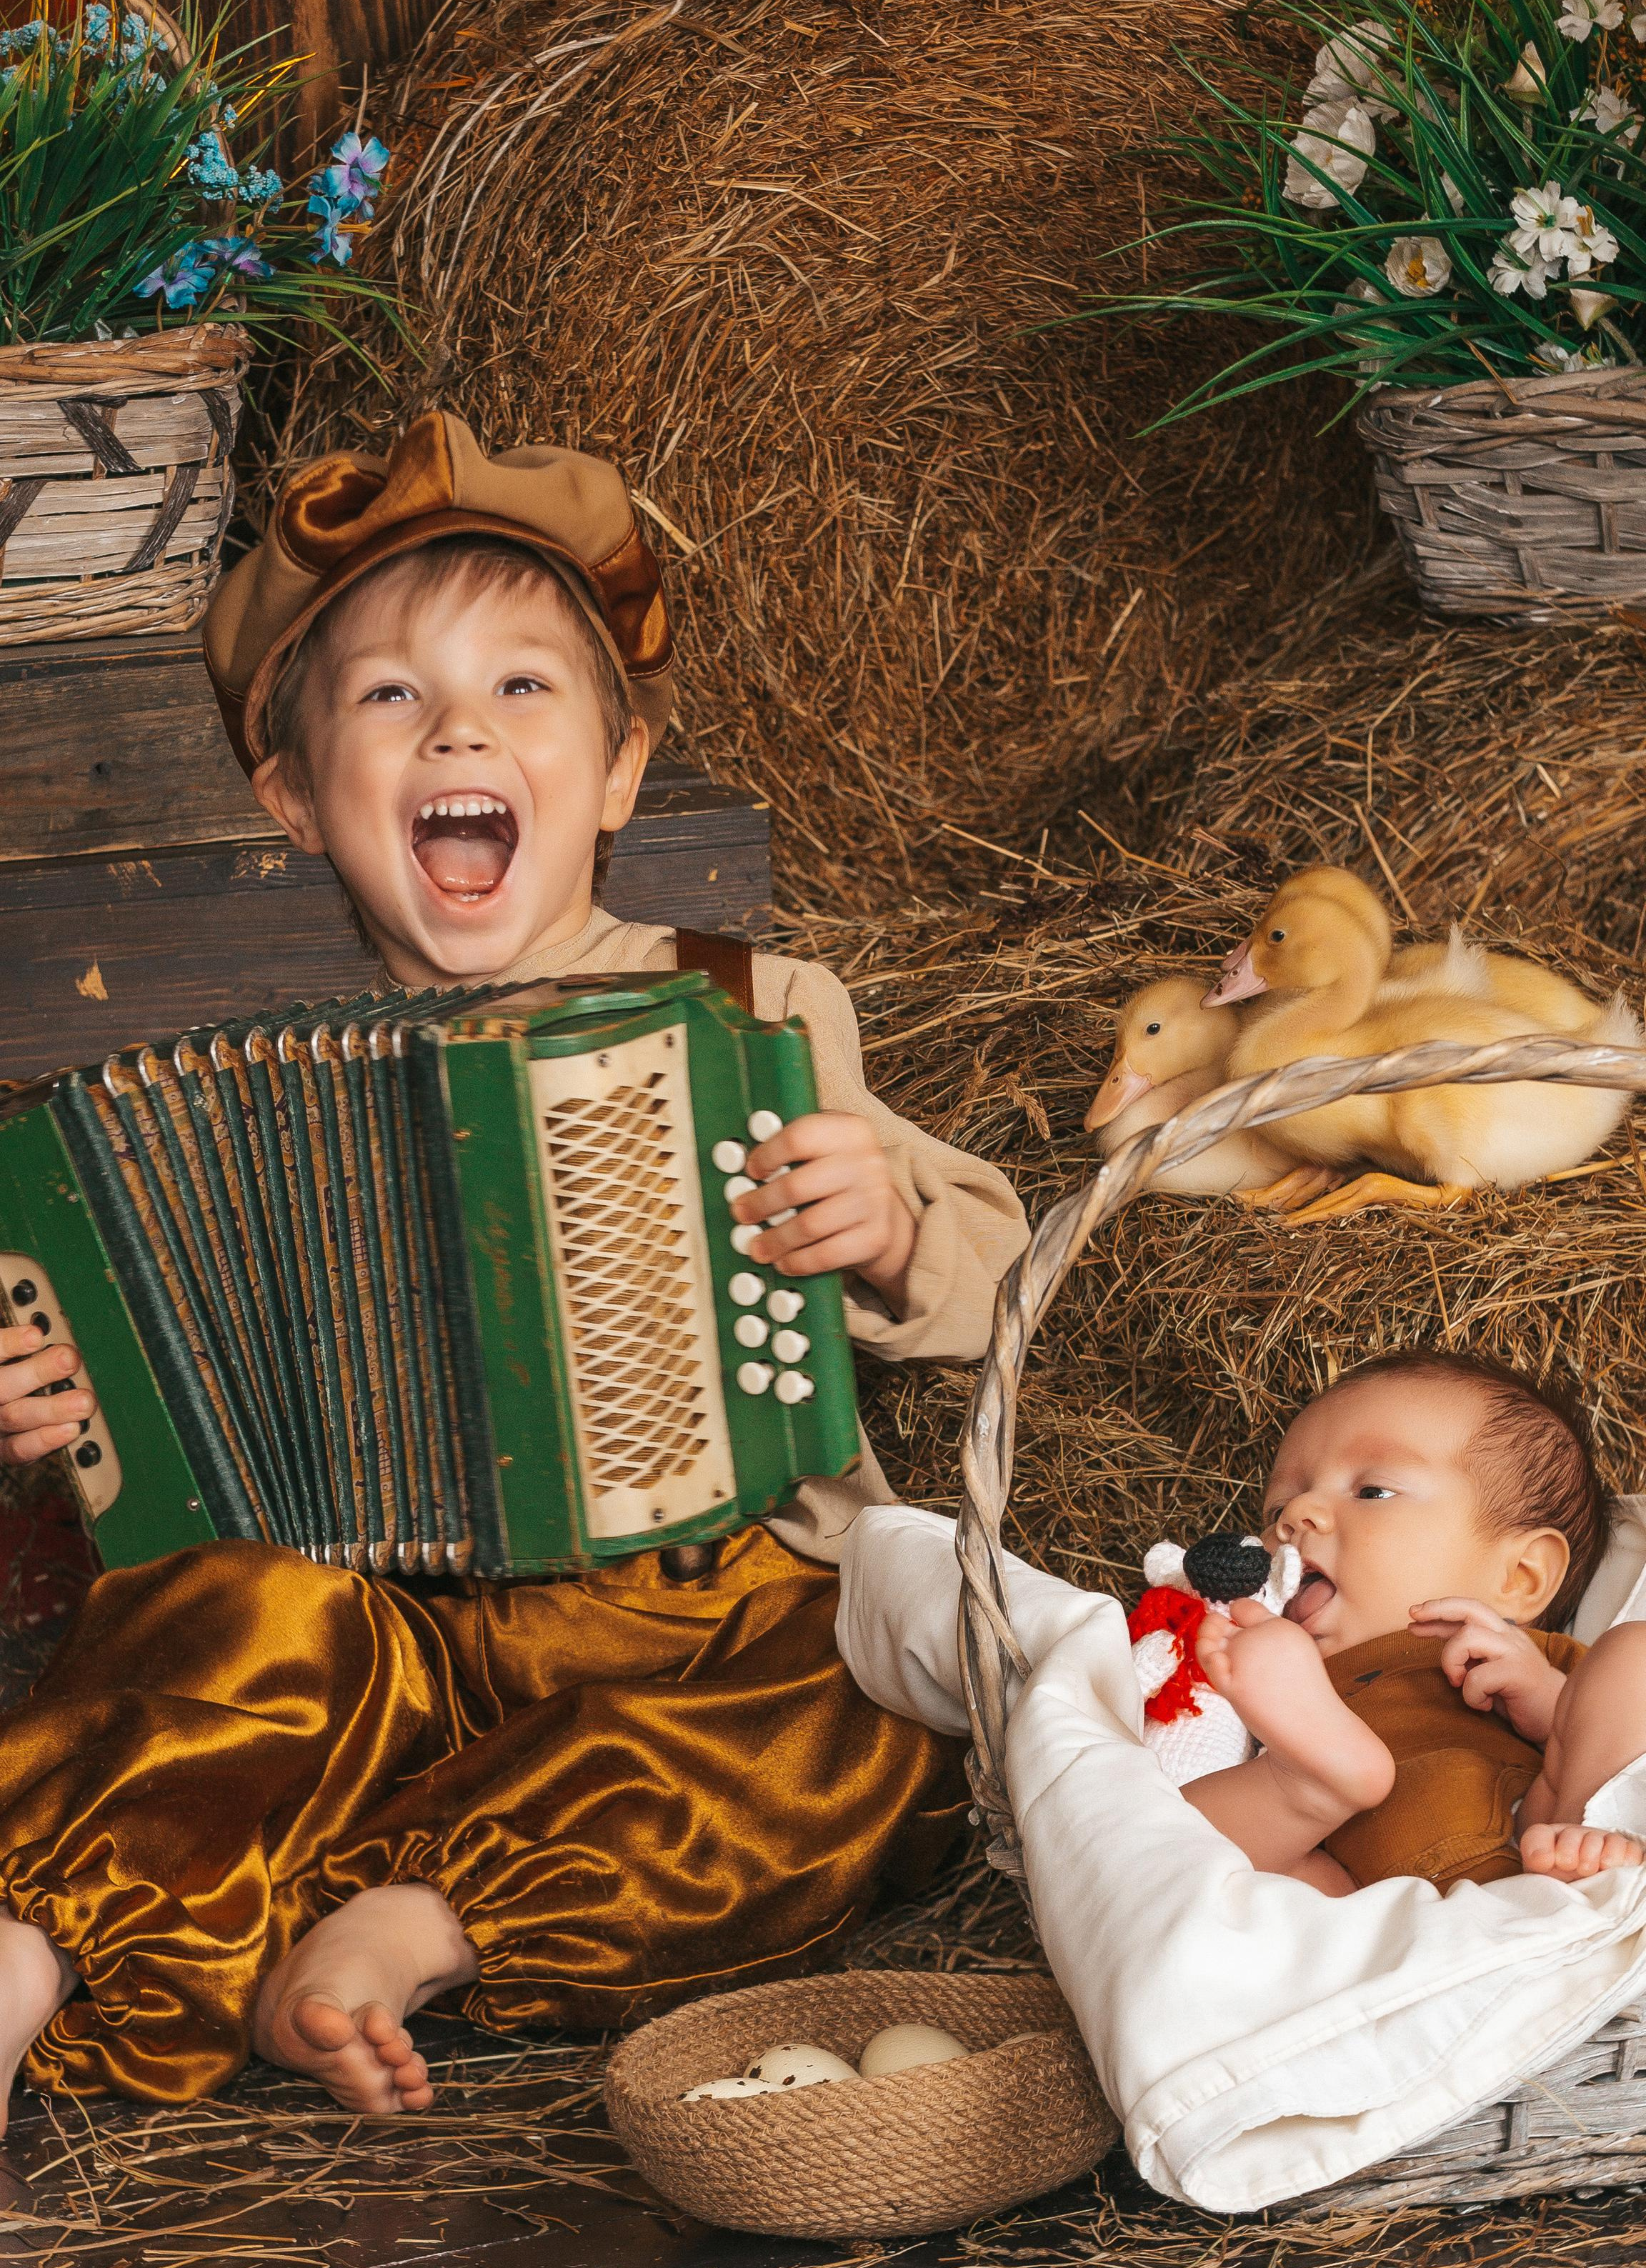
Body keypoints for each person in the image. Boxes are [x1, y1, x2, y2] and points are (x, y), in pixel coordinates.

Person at [0, 413, 1028, 2128]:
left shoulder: (752, 1011)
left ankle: (406, 1928)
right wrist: (45, 1414)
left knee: (863, 1723)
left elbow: (998, 1271)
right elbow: (137, 1454)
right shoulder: (216, 1106)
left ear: (618, 775)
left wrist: (894, 1226)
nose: (458, 726)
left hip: (697, 1610)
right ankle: (24, 1952)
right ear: (292, 793)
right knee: (210, 1628)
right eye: (391, 695)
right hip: (380, 1636)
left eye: (522, 688)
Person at [1184, 1349, 1646, 1897]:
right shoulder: (1268, 1681)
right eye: (1275, 1510)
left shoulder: (1534, 1663)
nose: (1294, 1516)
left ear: (1520, 1577)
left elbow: (1613, 1726)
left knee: (1632, 1657)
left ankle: (1590, 1823)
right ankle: (1315, 1785)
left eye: (1372, 1492)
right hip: (1376, 1901)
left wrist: (1550, 1706)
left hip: (1536, 1839)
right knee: (1184, 1835)